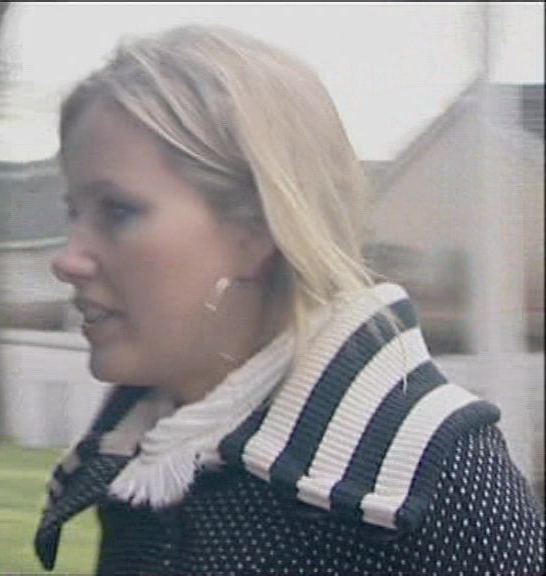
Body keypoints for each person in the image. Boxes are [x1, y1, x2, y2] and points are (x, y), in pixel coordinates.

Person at [33, 25, 544, 575]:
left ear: (257, 229)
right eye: (74, 212)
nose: (68, 259)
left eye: (117, 211)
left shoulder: (434, 476)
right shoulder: (142, 454)